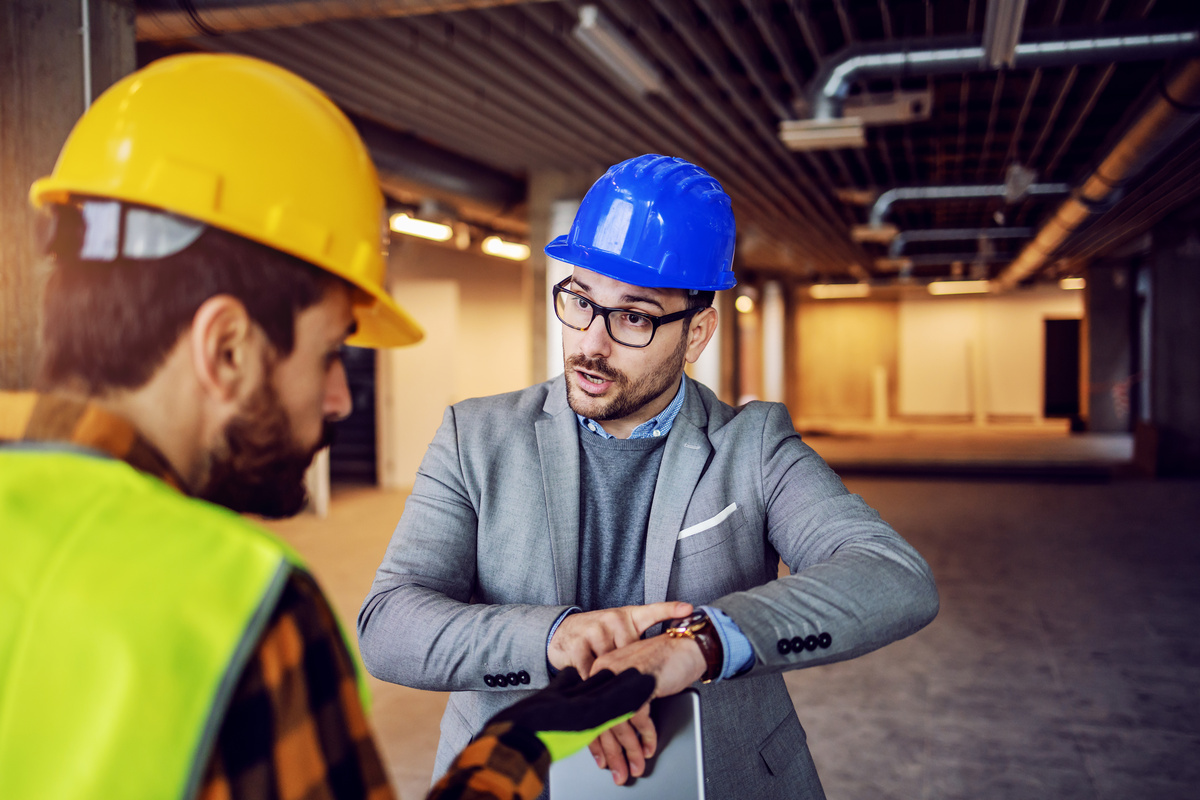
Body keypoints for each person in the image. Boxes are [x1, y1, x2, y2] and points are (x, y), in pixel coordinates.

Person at [0, 54, 653, 800]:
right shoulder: (234, 607)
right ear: (227, 348)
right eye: (330, 351)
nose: (342, 399)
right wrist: (523, 739)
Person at [358, 154, 940, 799]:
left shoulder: (753, 446)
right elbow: (389, 624)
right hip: (515, 778)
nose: (590, 344)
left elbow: (893, 575)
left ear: (698, 333)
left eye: (633, 316)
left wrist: (702, 643)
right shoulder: (476, 437)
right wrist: (560, 639)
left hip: (723, 779)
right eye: (580, 300)